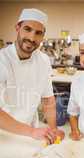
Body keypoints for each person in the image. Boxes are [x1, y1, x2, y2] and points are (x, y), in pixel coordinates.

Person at [0, 8, 64, 144]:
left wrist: (53, 129)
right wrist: (32, 132)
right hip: (4, 134)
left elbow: (48, 101)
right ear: (17, 28)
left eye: (38, 33)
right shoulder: (2, 61)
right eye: (27, 29)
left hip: (31, 133)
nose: (32, 38)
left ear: (43, 36)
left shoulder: (43, 60)